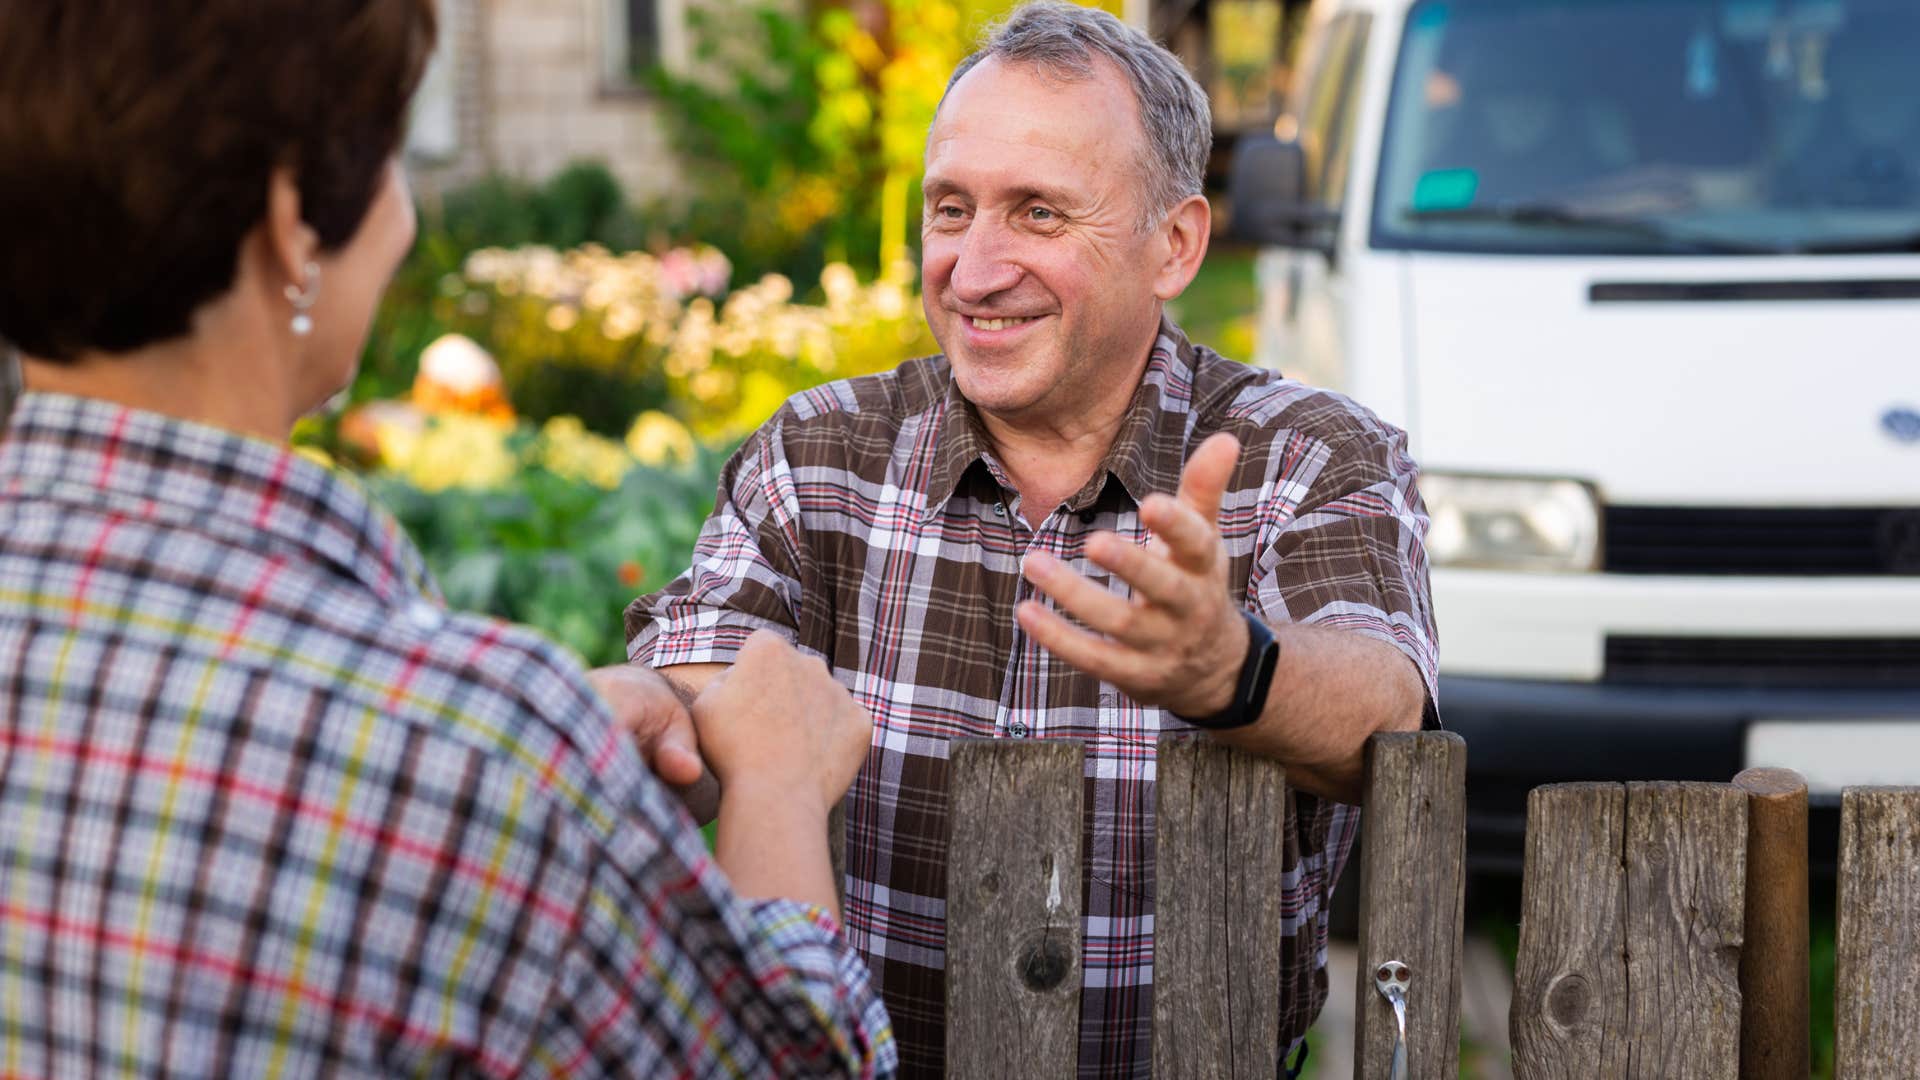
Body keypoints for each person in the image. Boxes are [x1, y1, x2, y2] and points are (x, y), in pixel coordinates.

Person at [0, 2, 892, 1076]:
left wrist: (509, 747)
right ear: (292, 223)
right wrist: (780, 792)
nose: (407, 216)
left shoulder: (472, 750)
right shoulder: (471, 758)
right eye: (385, 153)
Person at [625, 3, 1438, 1076]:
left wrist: (1234, 671)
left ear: (1176, 244)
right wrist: (628, 704)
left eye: (1039, 215)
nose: (973, 268)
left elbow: (1387, 710)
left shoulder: (1305, 456)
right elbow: (694, 687)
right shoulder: (819, 454)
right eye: (951, 209)